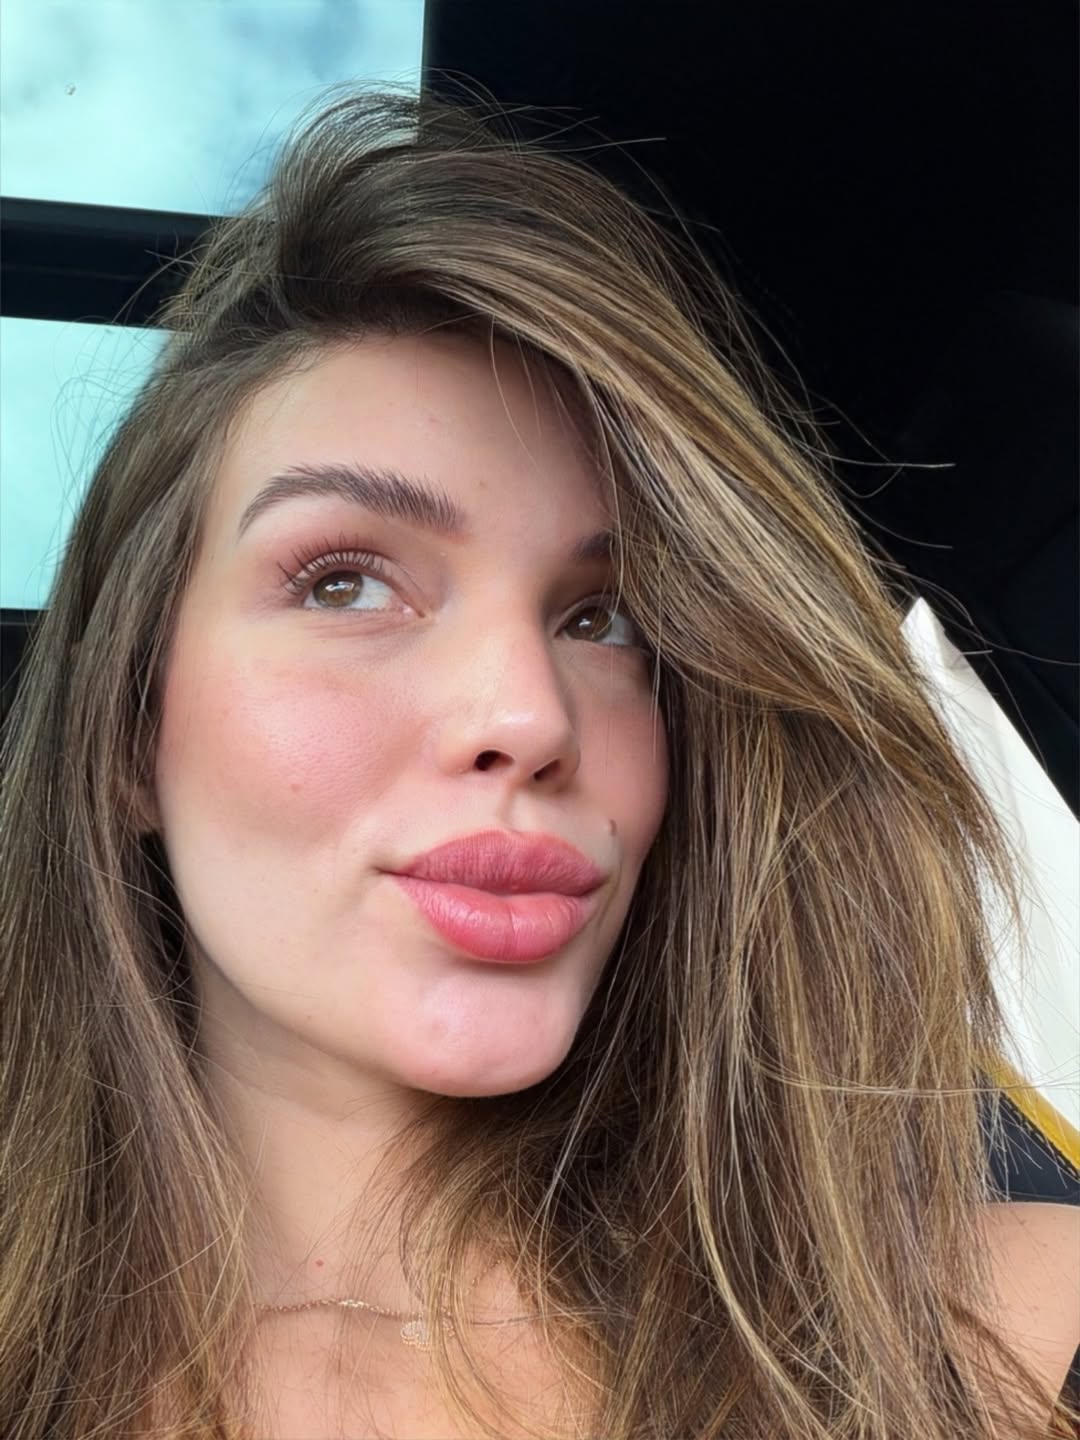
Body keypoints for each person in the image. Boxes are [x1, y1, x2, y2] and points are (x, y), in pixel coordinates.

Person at [1, 81, 1077, 1440]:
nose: (531, 715)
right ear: (125, 735)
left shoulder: (1015, 1332)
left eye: (604, 619)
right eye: (345, 583)